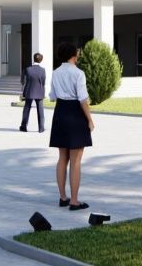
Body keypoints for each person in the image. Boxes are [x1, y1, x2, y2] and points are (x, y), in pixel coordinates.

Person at [49, 42, 93, 211]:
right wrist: (90, 119)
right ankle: (74, 200)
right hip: (75, 114)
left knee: (62, 158)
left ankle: (63, 197)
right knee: (76, 160)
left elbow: (52, 96)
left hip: (60, 112)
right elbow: (83, 99)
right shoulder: (78, 73)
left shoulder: (55, 72)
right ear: (74, 54)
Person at [20, 53, 46, 133]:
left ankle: (24, 127)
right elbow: (43, 81)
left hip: (29, 91)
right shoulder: (42, 70)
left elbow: (22, 81)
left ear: (33, 59)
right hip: (39, 91)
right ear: (41, 60)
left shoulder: (28, 69)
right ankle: (41, 128)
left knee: (26, 109)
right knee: (40, 110)